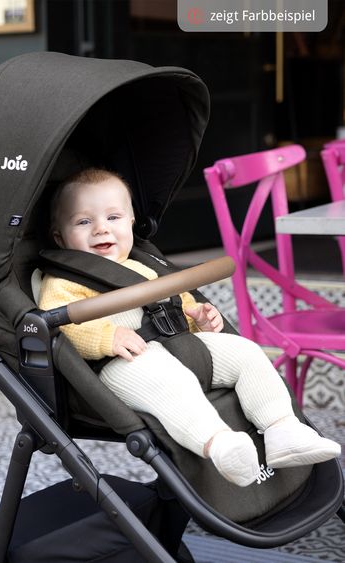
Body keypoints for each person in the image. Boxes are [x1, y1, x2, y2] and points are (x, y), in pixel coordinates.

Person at [38, 168, 341, 488]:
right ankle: (221, 444)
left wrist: (198, 316)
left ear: (131, 222)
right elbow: (56, 322)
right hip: (126, 363)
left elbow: (176, 300)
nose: (101, 229)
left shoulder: (144, 265)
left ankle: (282, 429)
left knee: (246, 353)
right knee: (173, 384)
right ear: (60, 237)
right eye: (84, 222)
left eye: (113, 217)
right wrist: (105, 336)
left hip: (179, 344)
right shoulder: (62, 281)